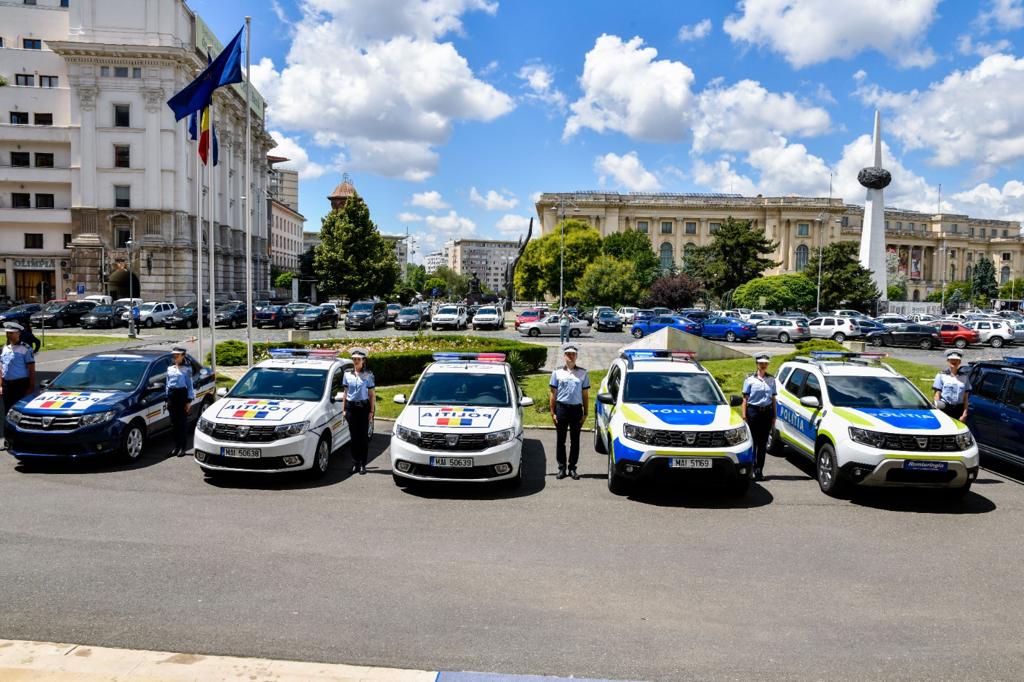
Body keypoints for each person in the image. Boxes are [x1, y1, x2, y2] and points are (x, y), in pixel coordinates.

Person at [549, 343, 589, 480]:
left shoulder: (583, 373)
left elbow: (585, 394)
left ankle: (572, 468)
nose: (571, 356)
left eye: (573, 354)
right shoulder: (557, 372)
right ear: (564, 356)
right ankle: (561, 468)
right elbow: (553, 393)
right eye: (568, 354)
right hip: (562, 409)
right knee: (561, 440)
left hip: (576, 410)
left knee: (575, 441)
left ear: (576, 356)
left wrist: (586, 413)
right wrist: (552, 412)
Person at [741, 353, 777, 482]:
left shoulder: (772, 380)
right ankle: (750, 468)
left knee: (762, 443)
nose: (764, 365)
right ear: (757, 364)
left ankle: (759, 470)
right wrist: (744, 416)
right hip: (753, 412)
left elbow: (773, 399)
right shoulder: (749, 379)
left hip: (766, 413)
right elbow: (745, 399)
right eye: (761, 363)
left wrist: (774, 416)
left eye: (766, 363)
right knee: (753, 442)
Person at [342, 347, 375, 474]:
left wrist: (371, 412)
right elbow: (345, 393)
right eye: (354, 359)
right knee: (353, 437)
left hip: (363, 408)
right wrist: (344, 410)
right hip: (351, 408)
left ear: (363, 360)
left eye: (358, 359)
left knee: (363, 437)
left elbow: (372, 394)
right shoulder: (347, 374)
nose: (356, 361)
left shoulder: (368, 375)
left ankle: (363, 464)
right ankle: (355, 463)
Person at [0, 322, 36, 413]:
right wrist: (0, 385)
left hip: (20, 385)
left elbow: (31, 369)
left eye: (11, 333)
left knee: (18, 411)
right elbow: (1, 367)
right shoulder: (4, 348)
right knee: (7, 411)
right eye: (7, 333)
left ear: (18, 333)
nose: (9, 335)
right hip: (6, 385)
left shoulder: (25, 348)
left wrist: (31, 387)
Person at [165, 346, 195, 457]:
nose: (175, 357)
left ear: (182, 356)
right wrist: (167, 398)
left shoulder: (187, 369)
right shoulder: (170, 368)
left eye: (177, 355)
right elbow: (167, 384)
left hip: (182, 395)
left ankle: (183, 447)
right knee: (173, 424)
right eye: (174, 355)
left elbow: (190, 386)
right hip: (172, 396)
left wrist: (189, 401)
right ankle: (176, 447)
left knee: (182, 423)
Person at [933, 350, 971, 422]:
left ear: (959, 362)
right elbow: (937, 395)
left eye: (957, 360)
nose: (954, 361)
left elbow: (966, 398)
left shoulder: (965, 377)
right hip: (945, 409)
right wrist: (938, 412)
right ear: (948, 361)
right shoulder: (941, 375)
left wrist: (964, 414)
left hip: (959, 410)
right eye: (952, 359)